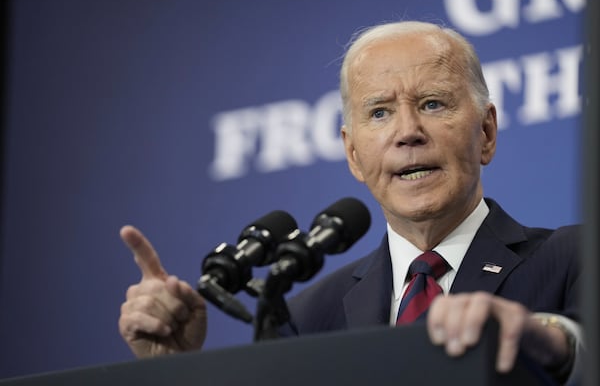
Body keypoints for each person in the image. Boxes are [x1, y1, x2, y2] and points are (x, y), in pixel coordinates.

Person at [118, 20, 582, 384]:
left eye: (433, 103)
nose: (407, 132)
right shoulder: (305, 319)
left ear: (485, 132)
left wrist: (551, 342)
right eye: (380, 112)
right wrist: (175, 373)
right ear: (354, 155)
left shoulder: (575, 257)